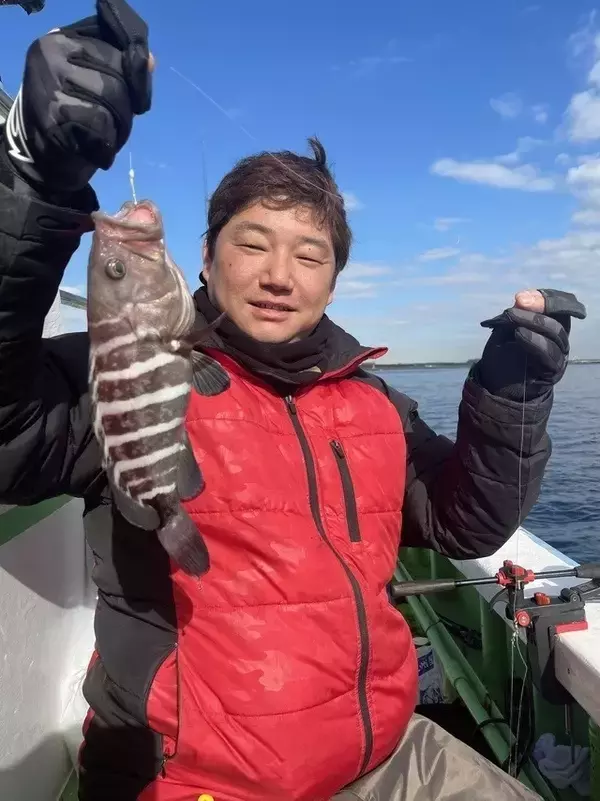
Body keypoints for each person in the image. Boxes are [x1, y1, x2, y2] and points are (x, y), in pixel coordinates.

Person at [0, 2, 586, 800]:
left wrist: (511, 395)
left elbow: (464, 525)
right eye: (252, 243)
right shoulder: (123, 364)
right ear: (204, 257)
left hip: (386, 754)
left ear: (333, 281)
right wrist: (33, 179)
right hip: (192, 777)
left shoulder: (374, 403)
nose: (279, 275)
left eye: (309, 255)